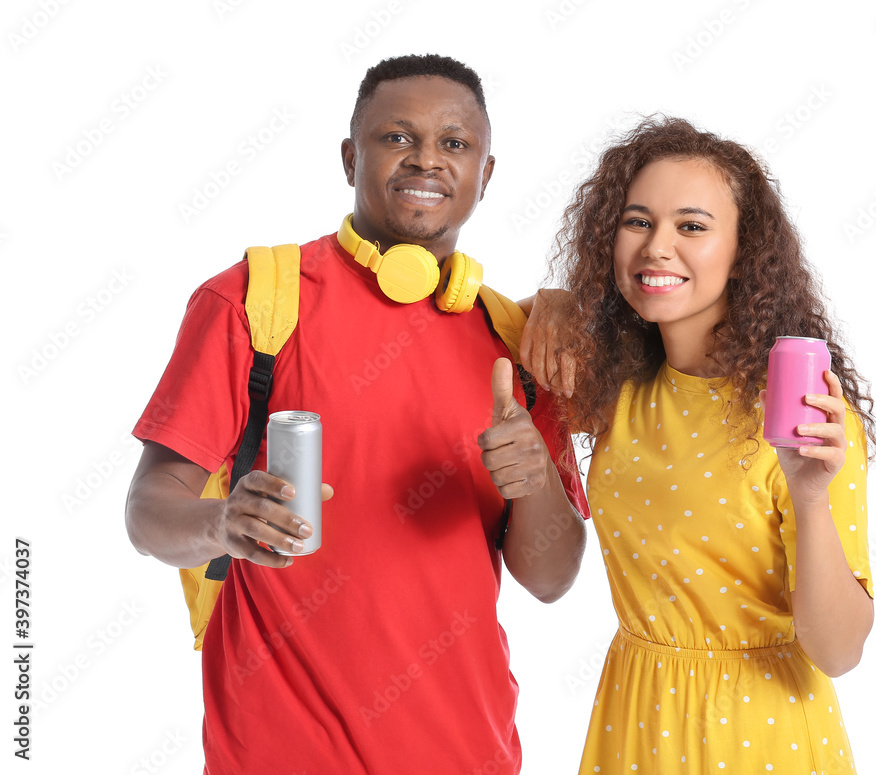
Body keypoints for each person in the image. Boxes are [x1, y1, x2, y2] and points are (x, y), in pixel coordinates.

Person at [124, 54, 588, 775]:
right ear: (350, 157)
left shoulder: (517, 345)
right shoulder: (253, 302)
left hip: (468, 754)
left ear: (486, 175)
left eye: (455, 143)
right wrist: (224, 523)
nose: (426, 159)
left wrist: (535, 481)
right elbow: (148, 513)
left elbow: (552, 580)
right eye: (397, 138)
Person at [519, 116, 876, 773]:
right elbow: (474, 337)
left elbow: (838, 651)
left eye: (691, 226)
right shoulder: (617, 389)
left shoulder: (800, 415)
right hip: (636, 718)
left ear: (744, 251)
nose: (658, 246)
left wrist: (809, 496)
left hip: (760, 733)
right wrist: (547, 302)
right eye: (638, 222)